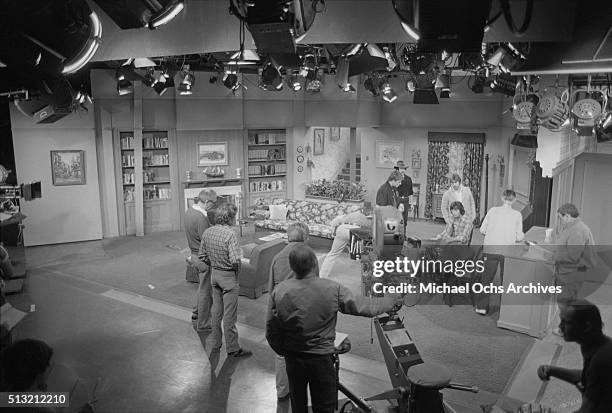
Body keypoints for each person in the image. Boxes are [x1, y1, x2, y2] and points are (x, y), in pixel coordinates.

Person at [266, 245, 403, 413]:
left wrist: (285, 351)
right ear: (314, 264)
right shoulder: (332, 288)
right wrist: (391, 300)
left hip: (293, 359)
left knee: (298, 403)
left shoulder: (280, 290)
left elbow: (271, 330)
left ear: (292, 266)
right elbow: (365, 307)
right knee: (324, 406)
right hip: (321, 360)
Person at [537, 300, 612, 412]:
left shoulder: (602, 359)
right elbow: (586, 376)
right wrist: (551, 370)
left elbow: (587, 410)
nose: (560, 326)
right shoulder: (594, 346)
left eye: (566, 322)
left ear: (586, 327)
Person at [199, 203, 251, 358]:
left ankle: (215, 344)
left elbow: (202, 256)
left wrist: (214, 264)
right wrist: (236, 273)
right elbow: (235, 260)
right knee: (230, 315)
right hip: (228, 277)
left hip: (214, 275)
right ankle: (233, 348)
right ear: (230, 217)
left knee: (216, 312)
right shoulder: (230, 234)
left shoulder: (208, 232)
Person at [268, 222, 312, 402]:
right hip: (301, 313)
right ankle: (299, 392)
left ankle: (282, 391)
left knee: (281, 354)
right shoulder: (308, 257)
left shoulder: (277, 257)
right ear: (305, 238)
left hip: (280, 312)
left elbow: (271, 290)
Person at [474, 189, 524, 315]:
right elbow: (519, 237)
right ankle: (505, 311)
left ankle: (481, 308)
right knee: (505, 280)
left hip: (490, 249)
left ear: (502, 198)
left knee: (486, 279)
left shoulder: (492, 210)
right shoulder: (517, 215)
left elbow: (482, 230)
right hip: (507, 251)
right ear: (515, 200)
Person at [185, 190, 218, 332]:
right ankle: (203, 323)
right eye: (213, 203)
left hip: (194, 254)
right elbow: (207, 241)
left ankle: (196, 312)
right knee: (206, 291)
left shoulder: (189, 212)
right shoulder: (200, 218)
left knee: (202, 287)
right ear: (207, 202)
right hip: (203, 258)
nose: (214, 206)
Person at [551, 203, 597, 306]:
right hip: (569, 272)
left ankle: (568, 321)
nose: (560, 221)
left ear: (567, 216)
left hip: (571, 274)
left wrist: (552, 256)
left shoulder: (577, 230)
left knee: (566, 304)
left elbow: (572, 256)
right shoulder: (572, 226)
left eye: (560, 218)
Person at [319, 211, 372, 278]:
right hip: (356, 231)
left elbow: (333, 223)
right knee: (362, 254)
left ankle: (322, 276)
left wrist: (335, 233)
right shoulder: (367, 220)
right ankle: (367, 274)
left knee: (333, 253)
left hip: (342, 229)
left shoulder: (347, 215)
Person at [395, 161, 413, 229]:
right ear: (398, 170)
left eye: (403, 168)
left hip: (406, 200)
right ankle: (396, 235)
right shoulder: (395, 179)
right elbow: (392, 190)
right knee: (397, 218)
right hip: (398, 200)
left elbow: (411, 192)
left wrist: (411, 204)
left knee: (405, 219)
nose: (402, 170)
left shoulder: (408, 179)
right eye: (401, 168)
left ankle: (404, 235)